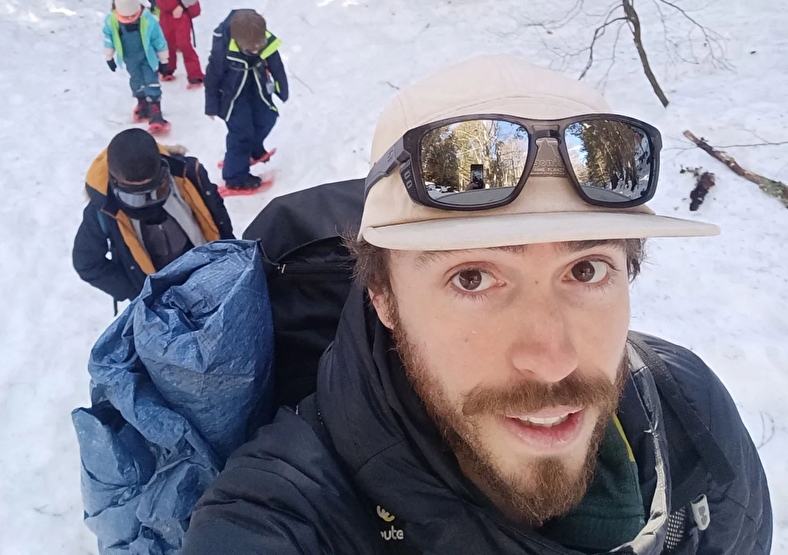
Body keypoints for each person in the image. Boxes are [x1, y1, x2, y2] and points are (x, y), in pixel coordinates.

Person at [183, 56, 772, 555]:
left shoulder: (689, 406)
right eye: (472, 278)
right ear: (383, 297)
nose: (552, 359)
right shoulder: (283, 514)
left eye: (586, 270)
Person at [72, 128, 233, 302]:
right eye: (134, 197)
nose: (147, 202)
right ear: (115, 181)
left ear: (163, 169)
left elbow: (216, 211)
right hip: (162, 297)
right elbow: (87, 262)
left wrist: (231, 252)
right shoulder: (103, 208)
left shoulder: (188, 175)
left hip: (211, 273)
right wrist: (138, 291)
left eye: (157, 190)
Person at [204, 9, 288, 192]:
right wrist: (211, 105)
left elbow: (276, 65)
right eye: (251, 50)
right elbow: (212, 76)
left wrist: (282, 89)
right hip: (232, 96)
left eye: (259, 47)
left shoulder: (260, 38)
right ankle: (235, 177)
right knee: (241, 133)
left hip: (256, 87)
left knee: (267, 117)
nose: (256, 51)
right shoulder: (223, 49)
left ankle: (251, 150)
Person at [104, 0, 170, 133]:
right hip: (129, 58)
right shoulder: (112, 21)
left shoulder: (147, 19)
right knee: (136, 79)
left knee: (151, 80)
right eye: (125, 17)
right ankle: (142, 102)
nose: (129, 19)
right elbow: (109, 38)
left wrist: (164, 60)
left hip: (147, 57)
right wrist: (109, 56)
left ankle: (155, 109)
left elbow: (158, 39)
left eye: (132, 16)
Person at [149, 0, 204, 86]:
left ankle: (195, 75)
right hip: (165, 16)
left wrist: (181, 6)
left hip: (180, 16)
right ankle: (167, 69)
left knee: (184, 44)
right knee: (166, 43)